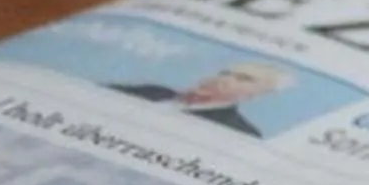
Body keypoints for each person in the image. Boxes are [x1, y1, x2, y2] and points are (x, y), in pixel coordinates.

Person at [102, 61, 294, 137]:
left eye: (243, 79)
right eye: (225, 72)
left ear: (254, 95)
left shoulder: (238, 132)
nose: (223, 79)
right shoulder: (152, 91)